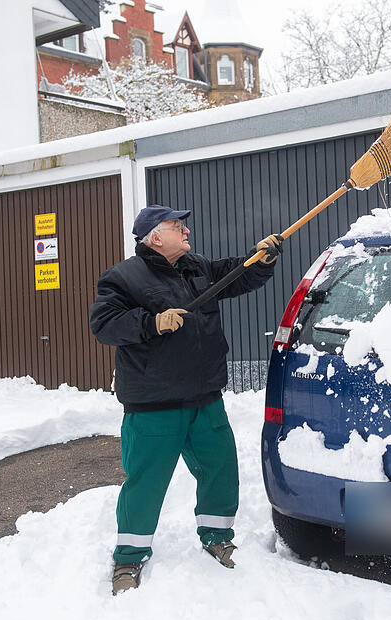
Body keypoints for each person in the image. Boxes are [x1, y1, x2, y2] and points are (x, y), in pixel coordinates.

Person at [89, 204, 283, 594]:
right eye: (177, 226)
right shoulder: (123, 277)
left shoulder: (195, 267)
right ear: (154, 237)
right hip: (154, 403)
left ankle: (216, 537)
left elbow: (235, 276)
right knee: (146, 482)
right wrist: (151, 322)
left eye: (184, 225)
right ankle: (129, 557)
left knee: (220, 469)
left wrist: (260, 260)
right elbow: (104, 324)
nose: (186, 230)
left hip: (204, 396)